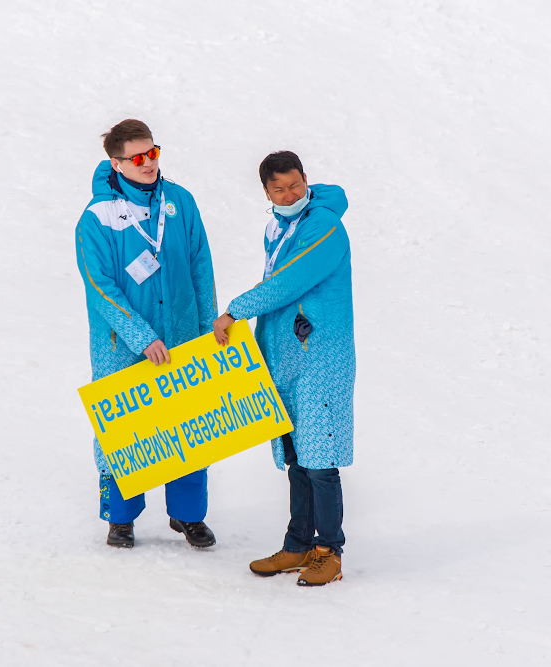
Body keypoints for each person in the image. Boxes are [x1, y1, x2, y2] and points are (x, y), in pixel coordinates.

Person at [213, 151, 354, 586]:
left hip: (318, 356)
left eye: (295, 185)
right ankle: (298, 546)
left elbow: (289, 281)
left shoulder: (323, 225)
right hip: (286, 355)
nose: (289, 193)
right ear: (267, 192)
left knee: (319, 461)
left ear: (306, 179)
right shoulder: (279, 227)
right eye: (279, 189)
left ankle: (329, 551)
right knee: (297, 458)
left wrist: (236, 310)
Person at [75, 119, 218, 549]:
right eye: (137, 158)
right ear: (116, 163)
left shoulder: (180, 201)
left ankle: (188, 516)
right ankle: (121, 519)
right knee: (126, 430)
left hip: (180, 333)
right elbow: (99, 286)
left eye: (153, 152)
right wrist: (140, 335)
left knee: (189, 424)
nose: (148, 163)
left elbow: (200, 265)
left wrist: (208, 325)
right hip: (123, 345)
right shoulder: (96, 218)